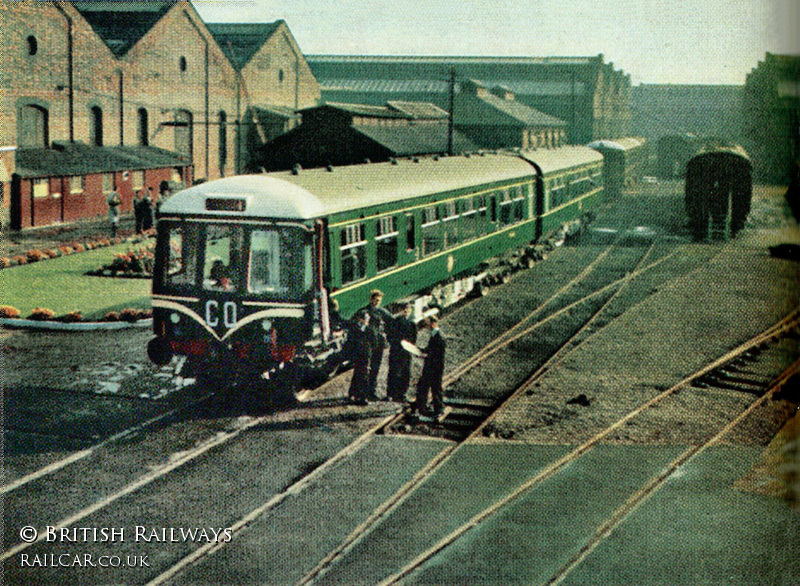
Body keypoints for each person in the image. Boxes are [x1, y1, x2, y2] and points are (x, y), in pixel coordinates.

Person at [359, 290, 393, 400]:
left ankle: (372, 391)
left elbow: (391, 323)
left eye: (378, 301)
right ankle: (363, 393)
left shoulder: (383, 312)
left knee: (375, 368)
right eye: (375, 300)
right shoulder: (364, 311)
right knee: (365, 369)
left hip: (379, 344)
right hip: (368, 345)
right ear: (371, 299)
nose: (376, 302)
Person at [411, 315, 447, 420]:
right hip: (431, 366)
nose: (427, 326)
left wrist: (426, 355)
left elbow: (439, 354)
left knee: (435, 388)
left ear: (433, 323)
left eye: (428, 323)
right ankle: (421, 406)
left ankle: (438, 410)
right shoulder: (434, 335)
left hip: (435, 367)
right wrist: (420, 350)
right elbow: (430, 349)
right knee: (424, 386)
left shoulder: (439, 336)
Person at [386, 303, 417, 403]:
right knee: (394, 371)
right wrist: (396, 344)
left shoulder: (412, 324)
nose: (406, 311)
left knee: (405, 372)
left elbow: (414, 339)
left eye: (408, 309)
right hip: (396, 350)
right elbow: (390, 335)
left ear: (410, 311)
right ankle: (391, 393)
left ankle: (402, 393)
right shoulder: (396, 322)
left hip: (406, 352)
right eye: (405, 309)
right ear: (401, 311)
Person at [347, 310, 373, 405]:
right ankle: (356, 395)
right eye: (366, 319)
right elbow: (350, 343)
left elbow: (374, 342)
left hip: (366, 356)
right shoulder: (354, 329)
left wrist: (368, 350)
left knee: (364, 375)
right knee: (359, 375)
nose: (367, 320)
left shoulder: (370, 330)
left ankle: (361, 396)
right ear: (360, 319)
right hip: (357, 355)